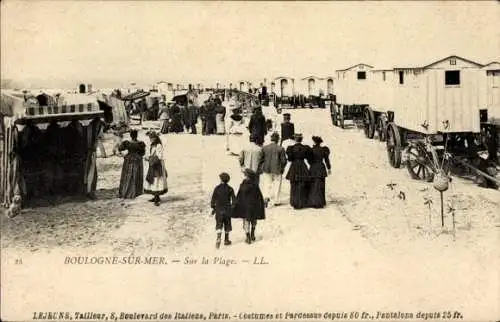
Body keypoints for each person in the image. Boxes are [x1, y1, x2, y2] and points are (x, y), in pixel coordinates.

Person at [232, 168, 266, 244]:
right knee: (254, 220)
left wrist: (236, 204)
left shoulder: (243, 185)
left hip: (246, 207)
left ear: (247, 176)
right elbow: (259, 196)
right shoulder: (255, 185)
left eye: (245, 175)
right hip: (254, 206)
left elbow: (239, 196)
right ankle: (253, 234)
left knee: (246, 221)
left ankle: (248, 237)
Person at [285, 133, 311, 209]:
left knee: (293, 185)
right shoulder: (305, 148)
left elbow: (290, 159)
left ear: (295, 139)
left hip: (294, 166)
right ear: (301, 139)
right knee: (302, 184)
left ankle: (294, 202)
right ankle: (302, 202)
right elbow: (308, 157)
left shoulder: (291, 148)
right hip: (302, 165)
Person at [118, 129, 146, 199]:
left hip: (129, 159)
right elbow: (143, 153)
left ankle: (126, 191)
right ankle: (136, 191)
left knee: (128, 175)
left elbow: (120, 148)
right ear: (137, 135)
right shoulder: (140, 143)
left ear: (130, 136)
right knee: (136, 175)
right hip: (137, 160)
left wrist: (123, 155)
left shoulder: (127, 143)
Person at [261, 132, 287, 207]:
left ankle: (266, 197)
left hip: (267, 168)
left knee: (267, 184)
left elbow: (261, 159)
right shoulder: (281, 148)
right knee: (277, 184)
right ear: (278, 140)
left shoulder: (265, 148)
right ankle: (276, 200)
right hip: (277, 169)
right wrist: (282, 168)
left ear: (271, 139)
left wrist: (263, 166)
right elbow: (284, 161)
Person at [210, 172, 236, 249]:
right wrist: (232, 207)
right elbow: (234, 200)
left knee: (219, 224)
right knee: (227, 224)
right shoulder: (230, 189)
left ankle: (218, 238)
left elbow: (213, 199)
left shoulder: (216, 188)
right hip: (227, 209)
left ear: (221, 180)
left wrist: (213, 207)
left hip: (219, 210)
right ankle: (226, 240)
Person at [144, 131, 168, 206]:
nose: (150, 140)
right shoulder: (153, 145)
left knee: (157, 180)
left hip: (157, 165)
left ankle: (157, 199)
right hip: (153, 164)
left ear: (155, 138)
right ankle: (155, 196)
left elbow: (159, 157)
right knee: (153, 180)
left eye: (152, 138)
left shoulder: (158, 145)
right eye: (150, 138)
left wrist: (149, 158)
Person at [307, 136, 331, 208]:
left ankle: (313, 201)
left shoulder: (311, 150)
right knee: (321, 185)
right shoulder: (324, 150)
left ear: (314, 142)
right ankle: (320, 202)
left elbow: (309, 160)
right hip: (321, 167)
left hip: (313, 167)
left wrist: (312, 164)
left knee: (313, 185)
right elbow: (327, 160)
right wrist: (329, 168)